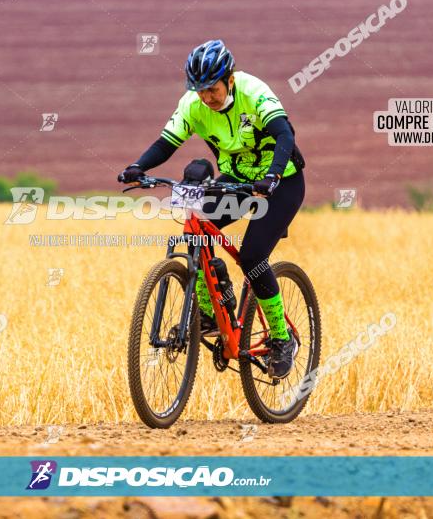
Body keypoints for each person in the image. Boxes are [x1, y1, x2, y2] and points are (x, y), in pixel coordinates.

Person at [117, 39, 307, 379]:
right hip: (235, 179)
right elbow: (166, 142)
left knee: (252, 257)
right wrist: (138, 166)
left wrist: (273, 175)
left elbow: (284, 135)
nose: (206, 97)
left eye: (212, 89)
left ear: (229, 80)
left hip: (280, 183)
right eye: (199, 90)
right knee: (196, 228)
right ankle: (209, 310)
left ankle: (281, 339)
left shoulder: (253, 91)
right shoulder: (193, 104)